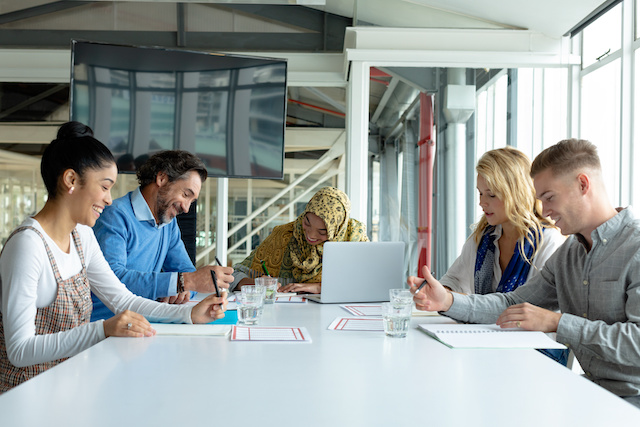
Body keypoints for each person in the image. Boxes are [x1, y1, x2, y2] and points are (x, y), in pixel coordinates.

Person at [409, 139, 640, 407]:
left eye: (550, 197)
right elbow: (511, 303)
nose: (544, 209)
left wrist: (558, 323)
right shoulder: (569, 254)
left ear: (583, 184)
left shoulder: (635, 248)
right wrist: (447, 301)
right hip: (588, 391)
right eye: (540, 199)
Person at [0, 123, 227, 392]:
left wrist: (187, 313)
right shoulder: (28, 245)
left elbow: (122, 299)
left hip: (70, 382)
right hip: (29, 395)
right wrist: (103, 329)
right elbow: (20, 350)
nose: (109, 200)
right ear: (71, 180)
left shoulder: (81, 236)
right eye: (105, 187)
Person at [91, 150, 234, 321]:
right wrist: (182, 283)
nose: (187, 208)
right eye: (185, 195)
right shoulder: (115, 216)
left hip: (145, 321)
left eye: (192, 201)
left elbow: (186, 272)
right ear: (162, 179)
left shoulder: (168, 223)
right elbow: (113, 280)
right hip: (108, 327)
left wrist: (182, 289)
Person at [439, 147, 565, 296]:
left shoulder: (548, 241)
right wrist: (436, 291)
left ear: (517, 194)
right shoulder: (482, 238)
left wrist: (451, 300)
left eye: (491, 195)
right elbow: (453, 281)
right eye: (480, 193)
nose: (482, 202)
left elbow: (541, 306)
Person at [231, 186, 368, 294]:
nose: (311, 235)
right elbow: (234, 276)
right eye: (307, 223)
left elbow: (370, 284)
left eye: (323, 231)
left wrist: (319, 287)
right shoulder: (284, 234)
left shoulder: (354, 238)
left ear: (338, 229)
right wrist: (256, 284)